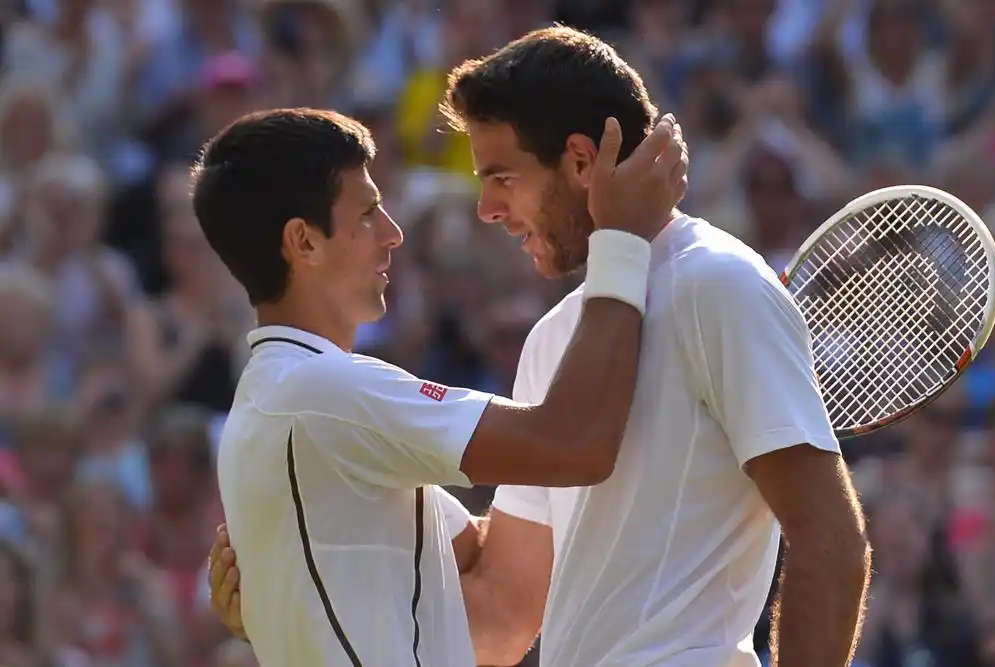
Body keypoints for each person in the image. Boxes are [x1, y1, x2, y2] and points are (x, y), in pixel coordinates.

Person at [208, 27, 872, 667]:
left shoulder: (717, 282)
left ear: (581, 162)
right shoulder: (558, 338)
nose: (487, 210)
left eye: (501, 177)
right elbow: (501, 616)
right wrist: (296, 598)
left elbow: (831, 541)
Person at [193, 105, 687, 667]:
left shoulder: (287, 401)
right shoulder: (322, 394)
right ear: (304, 242)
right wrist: (621, 243)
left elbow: (498, 601)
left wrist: (290, 604)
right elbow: (574, 445)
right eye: (369, 213)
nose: (393, 234)